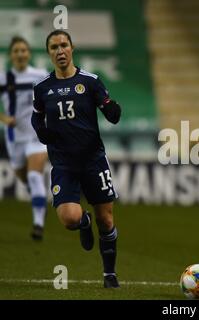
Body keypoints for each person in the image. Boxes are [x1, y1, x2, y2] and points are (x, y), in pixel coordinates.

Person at [31, 30, 122, 288]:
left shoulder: (90, 81)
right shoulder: (43, 88)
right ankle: (84, 222)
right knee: (69, 219)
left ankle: (109, 274)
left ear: (72, 48)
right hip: (63, 163)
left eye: (63, 45)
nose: (60, 51)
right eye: (54, 47)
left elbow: (107, 106)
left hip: (93, 160)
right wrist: (41, 131)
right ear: (49, 53)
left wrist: (112, 111)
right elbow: (37, 116)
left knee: (106, 220)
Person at [0, 36, 49, 240]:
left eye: (23, 50)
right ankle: (38, 197)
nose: (20, 54)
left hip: (37, 136)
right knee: (24, 177)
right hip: (14, 138)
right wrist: (4, 118)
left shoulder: (40, 75)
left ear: (29, 53)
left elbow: (53, 98)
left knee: (34, 175)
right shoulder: (4, 79)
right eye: (16, 51)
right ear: (11, 55)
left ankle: (38, 224)